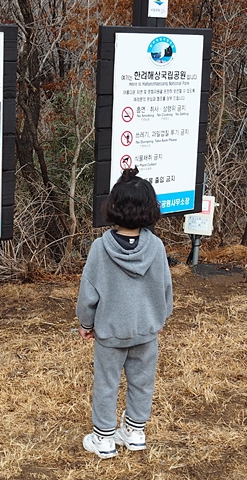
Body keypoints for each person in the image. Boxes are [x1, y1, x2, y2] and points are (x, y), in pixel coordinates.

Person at [76, 167, 173, 459]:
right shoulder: (156, 246)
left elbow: (89, 292)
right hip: (146, 331)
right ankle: (134, 433)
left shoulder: (100, 248)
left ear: (113, 207)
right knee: (142, 382)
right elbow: (165, 287)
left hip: (110, 332)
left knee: (106, 383)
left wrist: (86, 323)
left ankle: (104, 438)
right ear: (150, 209)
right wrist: (161, 318)